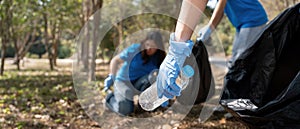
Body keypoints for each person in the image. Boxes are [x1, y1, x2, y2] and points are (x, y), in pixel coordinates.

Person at [156, 0, 268, 99]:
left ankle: (237, 101)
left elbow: (219, 5)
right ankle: (231, 100)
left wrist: (210, 28)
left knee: (238, 63)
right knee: (237, 62)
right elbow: (220, 8)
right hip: (243, 23)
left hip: (253, 20)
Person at [103, 31, 167, 116]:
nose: (148, 49)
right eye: (147, 45)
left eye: (153, 46)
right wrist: (112, 76)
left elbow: (162, 76)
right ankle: (110, 99)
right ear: (144, 43)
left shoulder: (159, 57)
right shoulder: (135, 49)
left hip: (140, 83)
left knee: (153, 77)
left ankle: (143, 104)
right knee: (125, 110)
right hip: (123, 82)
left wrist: (163, 94)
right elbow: (115, 60)